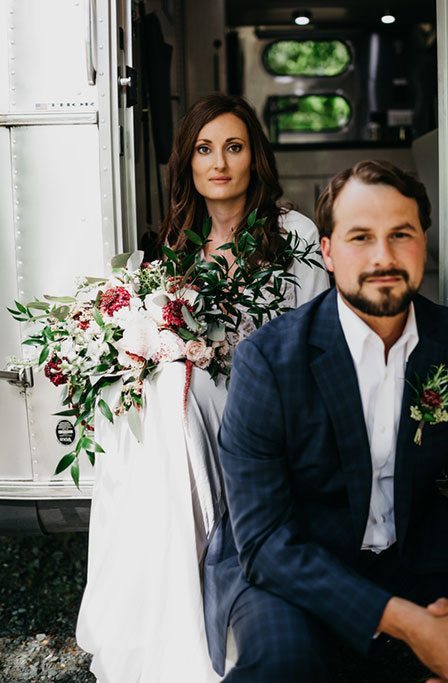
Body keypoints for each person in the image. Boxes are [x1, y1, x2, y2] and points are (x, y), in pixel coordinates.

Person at [205, 160, 448, 683]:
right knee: (285, 665)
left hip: (416, 551)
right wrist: (410, 624)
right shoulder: (267, 360)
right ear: (327, 252)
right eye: (360, 238)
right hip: (293, 565)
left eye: (401, 234)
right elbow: (263, 541)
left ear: (424, 241)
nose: (383, 257)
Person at [76, 94, 329, 682]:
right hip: (194, 409)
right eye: (204, 148)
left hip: (274, 408)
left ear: (254, 158)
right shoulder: (180, 245)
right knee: (150, 400)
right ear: (187, 163)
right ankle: (167, 597)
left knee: (171, 408)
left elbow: (320, 340)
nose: (219, 162)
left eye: (234, 147)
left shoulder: (291, 232)